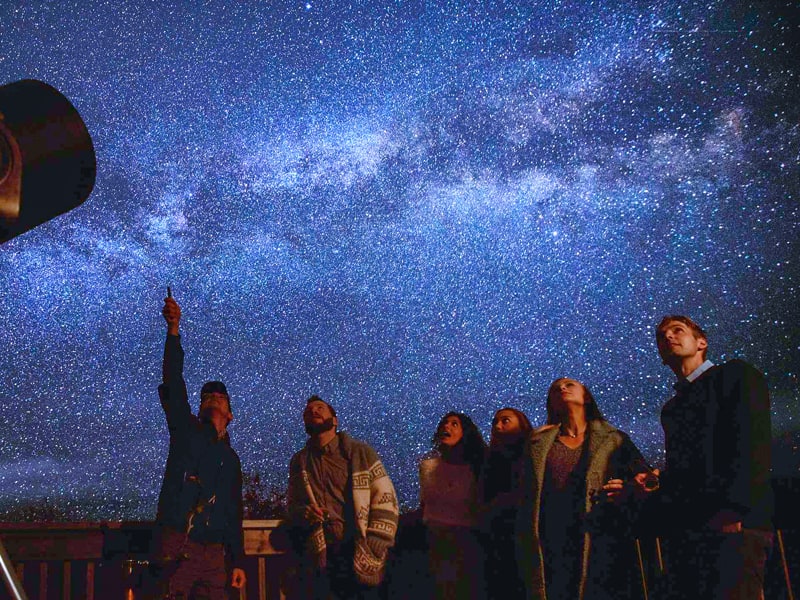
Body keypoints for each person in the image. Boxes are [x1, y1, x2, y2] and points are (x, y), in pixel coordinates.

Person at [645, 315, 773, 599]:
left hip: (734, 525)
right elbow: (686, 468)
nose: (667, 337)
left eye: (677, 330)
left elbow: (752, 442)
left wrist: (734, 510)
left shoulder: (735, 375)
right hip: (691, 530)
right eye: (661, 336)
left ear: (701, 342)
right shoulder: (672, 408)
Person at [520, 378, 652, 600]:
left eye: (569, 385)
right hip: (552, 540)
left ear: (587, 397)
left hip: (600, 538)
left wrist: (629, 487)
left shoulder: (614, 439)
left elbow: (646, 478)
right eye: (554, 389)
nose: (561, 388)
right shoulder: (539, 443)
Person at [155, 294, 246, 599]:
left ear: (230, 414)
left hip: (215, 556)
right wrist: (174, 329)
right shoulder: (186, 430)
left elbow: (234, 512)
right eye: (207, 396)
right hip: (177, 547)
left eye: (220, 397)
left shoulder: (231, 460)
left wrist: (238, 562)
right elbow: (173, 378)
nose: (213, 397)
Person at [286, 395, 399, 599]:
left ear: (335, 420)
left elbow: (386, 496)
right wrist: (305, 514)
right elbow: (293, 506)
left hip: (358, 551)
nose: (313, 411)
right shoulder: (299, 462)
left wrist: (375, 543)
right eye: (308, 411)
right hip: (321, 556)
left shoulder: (360, 453)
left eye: (320, 408)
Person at [419, 412, 487, 600]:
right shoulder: (428, 466)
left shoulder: (478, 467)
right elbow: (425, 504)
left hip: (466, 545)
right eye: (444, 423)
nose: (446, 427)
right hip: (432, 542)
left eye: (454, 424)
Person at [481, 407, 533, 600]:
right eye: (495, 421)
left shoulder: (535, 453)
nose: (497, 425)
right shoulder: (489, 460)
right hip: (498, 538)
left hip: (530, 533)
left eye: (505, 420)